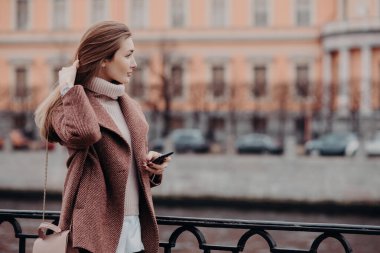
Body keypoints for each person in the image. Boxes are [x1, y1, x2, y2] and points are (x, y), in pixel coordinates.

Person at [34, 21, 171, 253]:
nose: (135, 64)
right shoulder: (66, 107)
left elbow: (125, 167)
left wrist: (151, 168)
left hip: (135, 226)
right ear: (104, 59)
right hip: (95, 230)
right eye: (128, 55)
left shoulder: (131, 107)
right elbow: (86, 133)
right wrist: (69, 89)